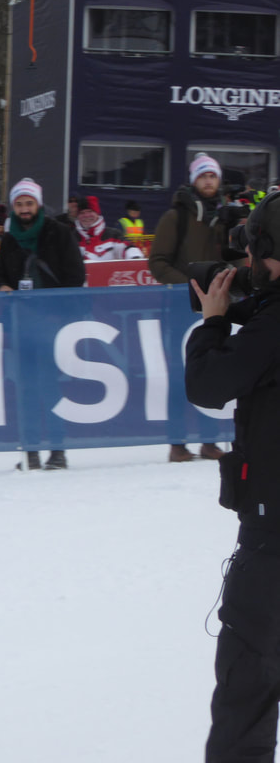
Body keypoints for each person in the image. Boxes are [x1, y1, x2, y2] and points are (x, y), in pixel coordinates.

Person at [185, 191, 280, 763]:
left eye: (252, 252)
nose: (245, 263)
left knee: (248, 686)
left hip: (273, 544)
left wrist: (214, 322)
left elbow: (208, 386)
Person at [0, 178, 85, 471]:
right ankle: (30, 451)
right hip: (22, 324)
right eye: (19, 204)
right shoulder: (9, 239)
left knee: (51, 386)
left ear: (38, 204)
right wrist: (2, 286)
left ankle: (57, 450)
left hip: (53, 323)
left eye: (29, 203)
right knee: (26, 389)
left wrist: (60, 313)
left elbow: (76, 276)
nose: (24, 209)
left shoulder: (59, 233)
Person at [149, 153, 228, 463]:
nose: (208, 181)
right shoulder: (176, 217)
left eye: (213, 176)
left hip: (216, 308)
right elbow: (158, 262)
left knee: (214, 372)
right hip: (180, 308)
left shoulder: (223, 217)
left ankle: (210, 440)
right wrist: (191, 287)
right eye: (203, 176)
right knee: (179, 375)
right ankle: (177, 442)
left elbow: (234, 257)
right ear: (194, 181)